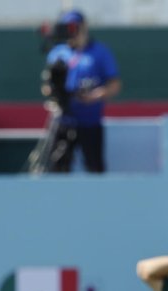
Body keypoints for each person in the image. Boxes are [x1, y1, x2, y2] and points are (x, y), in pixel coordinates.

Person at [42, 10, 120, 173]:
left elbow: (114, 84)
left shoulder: (100, 51)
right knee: (57, 167)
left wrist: (94, 96)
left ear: (83, 27)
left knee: (94, 167)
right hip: (63, 120)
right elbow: (47, 86)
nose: (71, 32)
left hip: (90, 121)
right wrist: (55, 96)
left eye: (74, 27)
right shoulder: (58, 53)